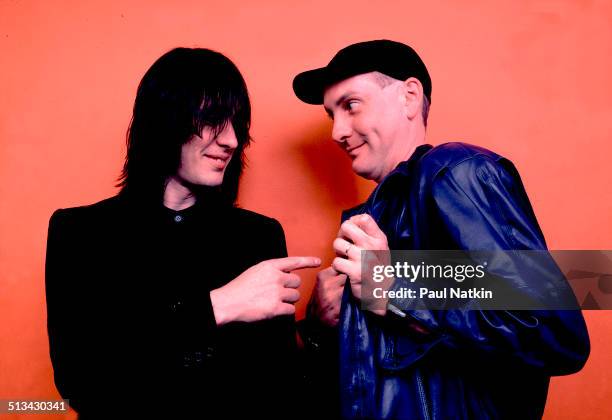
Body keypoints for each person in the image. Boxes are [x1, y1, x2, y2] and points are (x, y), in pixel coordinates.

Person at [293, 40, 590, 419]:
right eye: (330, 115)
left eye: (351, 105)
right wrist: (322, 325)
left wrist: (397, 289)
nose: (336, 132)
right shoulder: (375, 215)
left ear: (410, 97)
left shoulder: (453, 171)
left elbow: (554, 330)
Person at [45, 47, 320, 419]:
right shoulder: (79, 234)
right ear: (164, 121)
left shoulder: (258, 237)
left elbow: (281, 392)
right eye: (214, 120)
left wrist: (322, 327)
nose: (232, 141)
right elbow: (82, 382)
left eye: (237, 124)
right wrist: (219, 306)